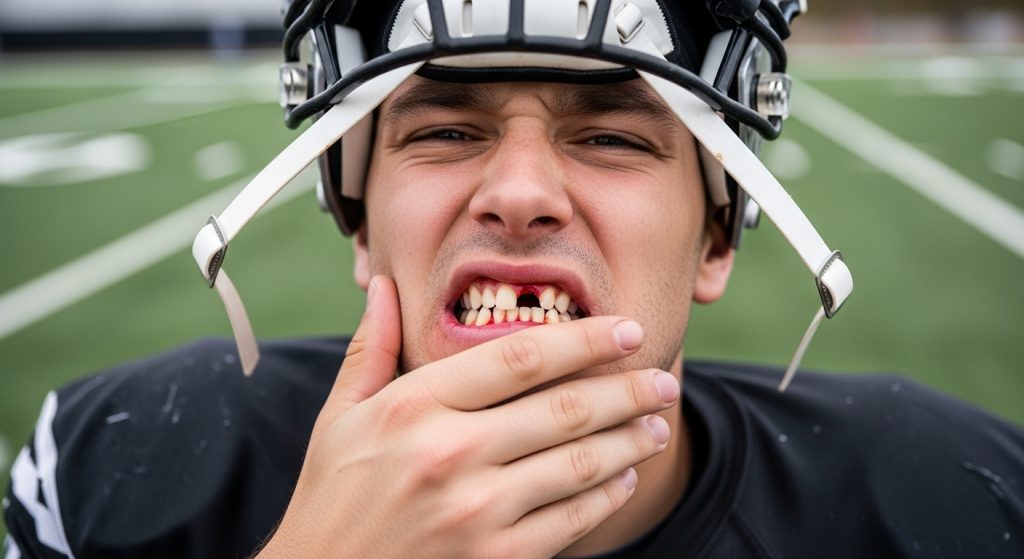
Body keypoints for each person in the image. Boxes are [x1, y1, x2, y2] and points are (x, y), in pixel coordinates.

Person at [5, 1, 1023, 557]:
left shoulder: (958, 504)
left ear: (717, 239)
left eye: (613, 136)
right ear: (360, 224)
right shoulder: (115, 475)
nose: (522, 191)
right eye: (448, 128)